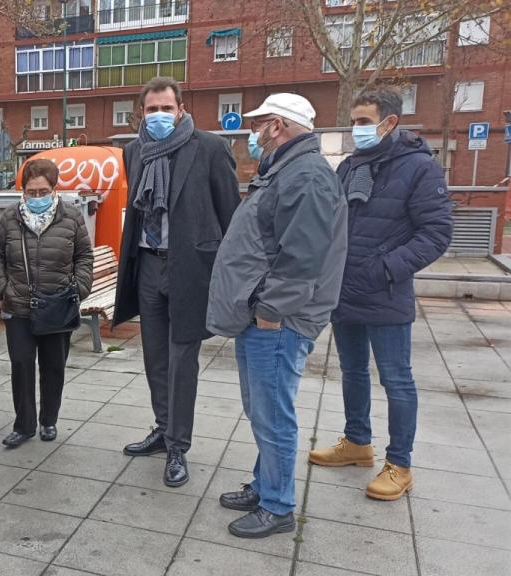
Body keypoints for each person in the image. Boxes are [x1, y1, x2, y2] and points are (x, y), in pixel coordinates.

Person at [207, 93, 348, 539]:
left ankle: (278, 505)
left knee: (272, 413)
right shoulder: (287, 170)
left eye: (260, 123)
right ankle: (264, 484)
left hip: (279, 321)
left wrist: (270, 311)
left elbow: (303, 257)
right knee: (261, 409)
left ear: (278, 126)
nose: (254, 132)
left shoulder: (305, 175)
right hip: (266, 316)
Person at [308, 88, 452, 500]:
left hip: (385, 293)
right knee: (351, 372)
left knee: (396, 380)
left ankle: (400, 464)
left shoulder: (419, 167)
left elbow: (437, 233)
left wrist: (387, 269)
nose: (357, 130)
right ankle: (357, 443)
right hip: (345, 291)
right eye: (354, 121)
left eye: (364, 121)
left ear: (390, 123)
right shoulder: (351, 166)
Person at [112, 76, 240, 487]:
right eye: (153, 110)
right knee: (154, 357)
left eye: (167, 108)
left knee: (183, 361)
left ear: (181, 110)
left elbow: (230, 216)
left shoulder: (210, 148)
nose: (161, 116)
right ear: (142, 114)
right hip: (148, 264)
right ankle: (163, 428)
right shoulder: (134, 151)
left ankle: (177, 447)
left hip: (190, 269)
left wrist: (228, 276)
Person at [0, 159, 94, 447]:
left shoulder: (71, 216)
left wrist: (79, 288)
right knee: (22, 366)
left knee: (53, 367)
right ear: (22, 190)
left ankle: (48, 420)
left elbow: (84, 256)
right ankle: (23, 425)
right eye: (30, 191)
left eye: (42, 191)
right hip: (19, 306)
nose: (36, 197)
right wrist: (4, 288)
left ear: (54, 189)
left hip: (57, 306)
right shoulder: (11, 217)